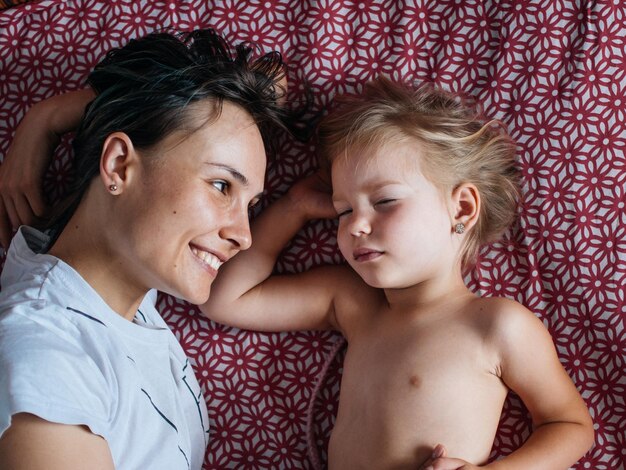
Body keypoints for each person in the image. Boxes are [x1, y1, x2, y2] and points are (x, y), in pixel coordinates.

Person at [201, 77, 595, 469]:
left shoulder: (498, 325)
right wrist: (294, 208)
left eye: (385, 201)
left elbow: (571, 425)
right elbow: (225, 300)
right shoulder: (353, 302)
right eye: (343, 210)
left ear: (461, 209)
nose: (355, 225)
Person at [0, 28, 296, 469]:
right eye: (221, 185)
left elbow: (269, 83)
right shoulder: (47, 356)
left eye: (250, 205)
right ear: (119, 164)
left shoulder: (113, 280)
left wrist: (47, 117)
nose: (244, 235)